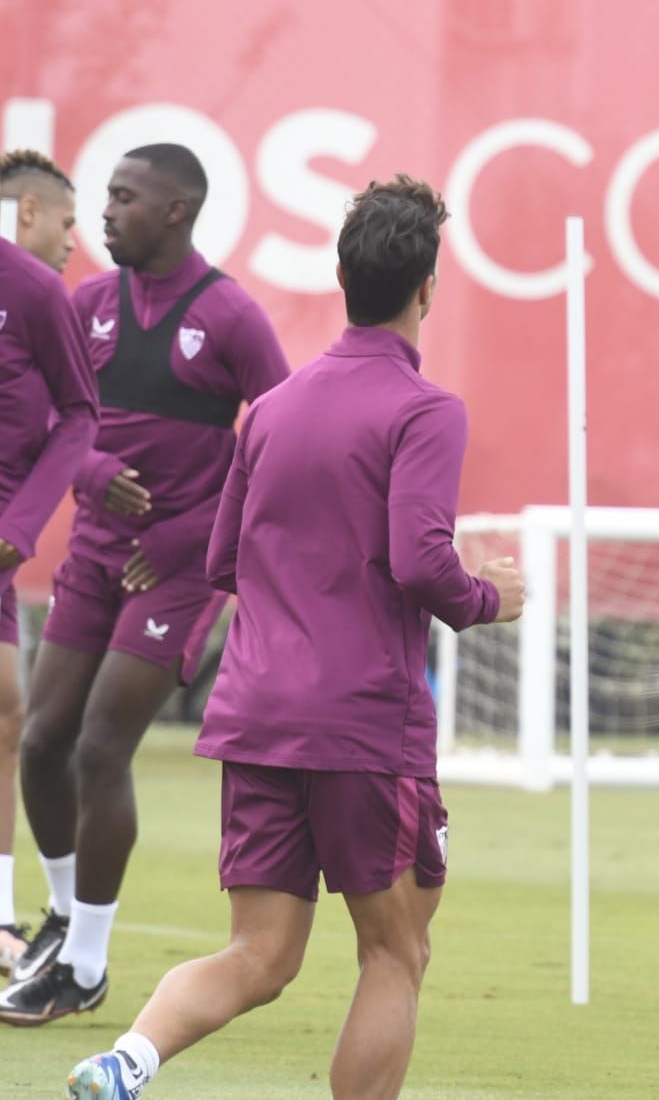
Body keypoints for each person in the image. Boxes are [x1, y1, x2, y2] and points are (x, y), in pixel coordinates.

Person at [63, 175, 523, 1100]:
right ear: (426, 286)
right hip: (362, 722)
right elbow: (422, 560)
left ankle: (127, 1059)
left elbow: (227, 558)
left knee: (259, 953)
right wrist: (490, 598)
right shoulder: (426, 408)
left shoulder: (271, 410)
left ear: (343, 277)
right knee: (396, 949)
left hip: (258, 711)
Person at [3, 145, 291, 1023]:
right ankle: (63, 918)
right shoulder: (85, 304)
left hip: (175, 567)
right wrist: (89, 474)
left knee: (99, 748)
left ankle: (84, 966)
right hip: (94, 554)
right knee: (43, 741)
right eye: (103, 197)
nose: (105, 213)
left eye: (125, 198)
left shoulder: (232, 317)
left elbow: (282, 441)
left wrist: (187, 537)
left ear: (176, 211)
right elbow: (60, 427)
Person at [0, 151, 98, 973]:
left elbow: (80, 416)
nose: (76, 240)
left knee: (8, 715)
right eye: (68, 222)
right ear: (29, 211)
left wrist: (21, 524)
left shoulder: (33, 294)